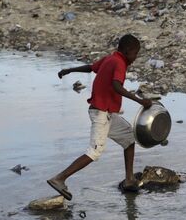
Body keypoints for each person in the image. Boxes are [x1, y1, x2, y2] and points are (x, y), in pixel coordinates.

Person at [47, 34, 152, 200]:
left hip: (107, 112)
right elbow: (117, 86)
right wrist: (140, 101)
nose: (135, 57)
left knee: (129, 138)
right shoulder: (119, 63)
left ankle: (129, 179)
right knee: (94, 152)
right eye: (135, 53)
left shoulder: (110, 58)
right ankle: (59, 178)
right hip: (100, 113)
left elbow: (91, 67)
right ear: (127, 51)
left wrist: (69, 70)